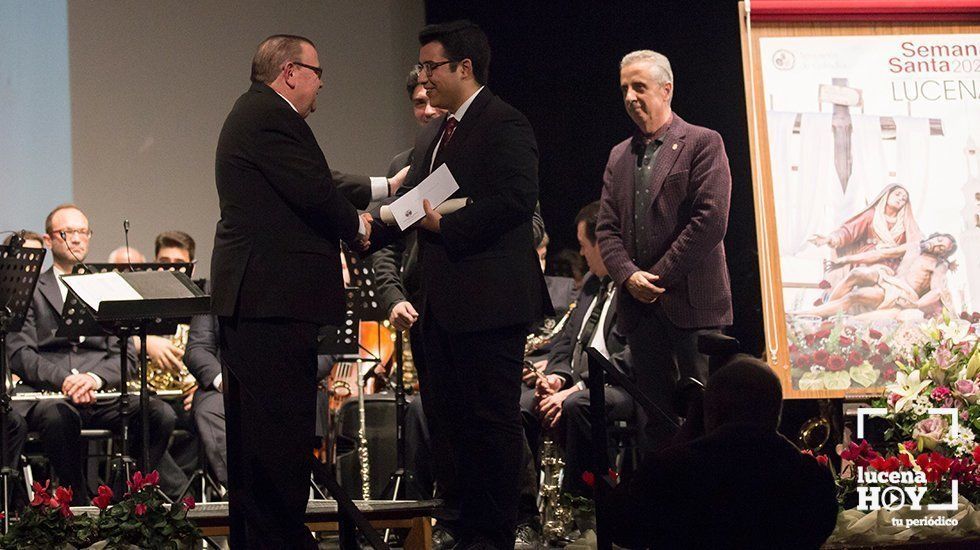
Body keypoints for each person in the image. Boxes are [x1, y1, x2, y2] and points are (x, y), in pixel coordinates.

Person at [369, 21, 550, 549]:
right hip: (439, 308)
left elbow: (517, 203)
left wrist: (447, 224)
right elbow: (415, 206)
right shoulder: (434, 134)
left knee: (491, 425)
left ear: (463, 68)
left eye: (431, 67)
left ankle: (493, 536)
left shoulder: (504, 123)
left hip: (491, 307)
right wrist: (364, 229)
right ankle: (461, 526)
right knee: (448, 426)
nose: (423, 79)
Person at [211, 35, 373, 548]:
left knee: (263, 442)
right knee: (276, 442)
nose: (322, 81)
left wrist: (380, 191)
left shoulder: (257, 114)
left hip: (263, 304)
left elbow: (312, 182)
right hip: (271, 305)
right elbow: (316, 190)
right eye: (318, 71)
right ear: (290, 71)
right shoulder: (271, 115)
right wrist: (361, 227)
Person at [596, 50, 732, 452]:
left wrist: (655, 277)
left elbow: (710, 221)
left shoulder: (703, 143)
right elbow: (606, 228)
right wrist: (627, 276)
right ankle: (661, 510)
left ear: (666, 89)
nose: (630, 96)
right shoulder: (618, 155)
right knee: (654, 425)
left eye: (639, 86)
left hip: (693, 307)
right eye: (624, 88)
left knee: (704, 420)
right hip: (642, 313)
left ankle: (709, 511)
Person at [7, 204, 180, 503]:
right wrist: (65, 380)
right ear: (49, 241)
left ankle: (126, 501)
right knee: (57, 419)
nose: (76, 239)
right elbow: (21, 352)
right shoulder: (32, 287)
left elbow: (124, 355)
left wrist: (94, 378)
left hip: (101, 392)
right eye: (67, 232)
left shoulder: (106, 285)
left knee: (159, 414)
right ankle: (78, 504)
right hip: (53, 394)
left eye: (82, 232)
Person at [606, 356, 839, 549]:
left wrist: (683, 437)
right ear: (777, 411)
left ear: (710, 411)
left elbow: (621, 528)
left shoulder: (672, 470)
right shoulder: (809, 477)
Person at [534, 201, 633, 497]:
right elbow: (565, 341)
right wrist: (557, 378)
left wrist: (577, 387)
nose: (581, 253)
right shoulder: (592, 283)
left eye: (583, 245)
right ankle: (524, 511)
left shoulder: (632, 285)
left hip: (620, 386)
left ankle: (584, 505)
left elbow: (627, 359)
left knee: (579, 406)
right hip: (579, 384)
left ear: (602, 244)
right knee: (523, 406)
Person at [800, 233, 957, 319]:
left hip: (902, 292)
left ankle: (819, 314)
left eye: (942, 248)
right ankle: (827, 310)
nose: (937, 245)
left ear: (943, 254)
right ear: (935, 236)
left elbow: (936, 291)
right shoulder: (913, 247)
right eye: (939, 240)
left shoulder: (938, 264)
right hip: (889, 278)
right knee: (856, 273)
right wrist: (845, 260)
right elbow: (882, 253)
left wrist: (915, 305)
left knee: (856, 295)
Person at [810, 184, 921, 273]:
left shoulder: (906, 223)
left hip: (894, 261)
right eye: (897, 194)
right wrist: (829, 239)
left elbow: (917, 241)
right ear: (887, 195)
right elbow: (848, 232)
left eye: (903, 199)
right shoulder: (871, 215)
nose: (900, 199)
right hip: (868, 259)